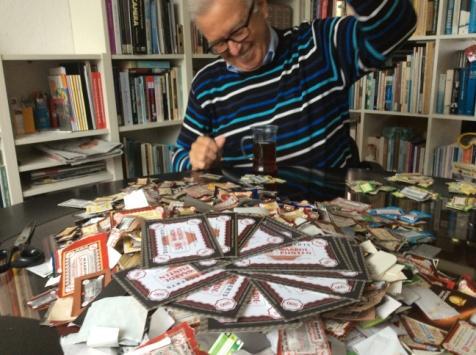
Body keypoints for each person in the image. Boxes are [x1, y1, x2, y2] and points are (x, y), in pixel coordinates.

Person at [172, 0, 417, 172]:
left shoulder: (319, 46)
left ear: (263, 7)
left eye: (238, 31)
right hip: (248, 224)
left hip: (326, 218)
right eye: (219, 44)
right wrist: (196, 160)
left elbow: (397, 27)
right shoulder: (205, 84)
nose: (234, 49)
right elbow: (179, 157)